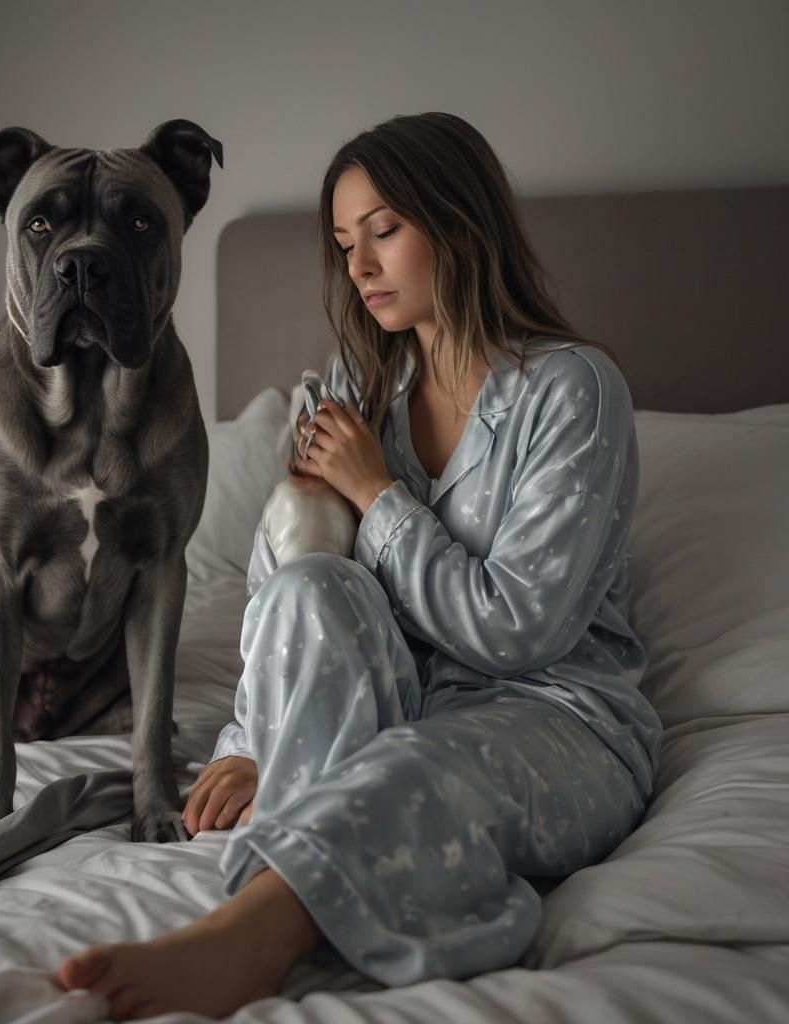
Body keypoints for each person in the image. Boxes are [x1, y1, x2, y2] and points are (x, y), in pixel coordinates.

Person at [55, 112, 663, 1020]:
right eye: (345, 244)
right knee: (314, 584)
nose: (361, 267)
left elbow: (519, 628)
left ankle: (248, 935)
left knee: (413, 765)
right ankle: (293, 880)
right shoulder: (354, 385)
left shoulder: (574, 392)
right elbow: (286, 587)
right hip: (384, 700)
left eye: (384, 232)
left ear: (460, 223)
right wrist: (257, 740)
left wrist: (380, 495)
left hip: (553, 714)